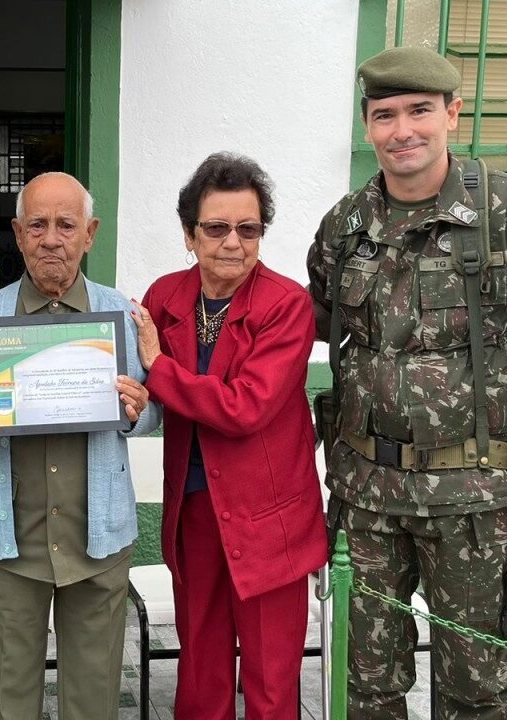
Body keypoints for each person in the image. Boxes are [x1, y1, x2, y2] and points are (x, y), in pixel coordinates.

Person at [307, 47, 507, 719]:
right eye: (385, 115)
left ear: (453, 113)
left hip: (473, 499)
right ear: (367, 125)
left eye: (420, 111)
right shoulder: (344, 226)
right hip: (365, 495)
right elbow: (309, 328)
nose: (402, 130)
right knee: (365, 684)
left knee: (478, 689)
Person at [0, 172, 160, 720]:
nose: (52, 239)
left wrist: (139, 410)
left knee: (94, 698)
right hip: (10, 539)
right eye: (37, 225)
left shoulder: (122, 316)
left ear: (90, 233)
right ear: (18, 234)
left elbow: (155, 408)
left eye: (66, 225)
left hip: (96, 536)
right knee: (9, 695)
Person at [129, 153, 327, 719]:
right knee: (201, 667)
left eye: (249, 228)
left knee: (271, 679)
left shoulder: (287, 305)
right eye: (216, 228)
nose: (233, 242)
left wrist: (159, 370)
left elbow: (246, 407)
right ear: (189, 234)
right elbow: (144, 394)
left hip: (269, 519)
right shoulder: (165, 297)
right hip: (194, 508)